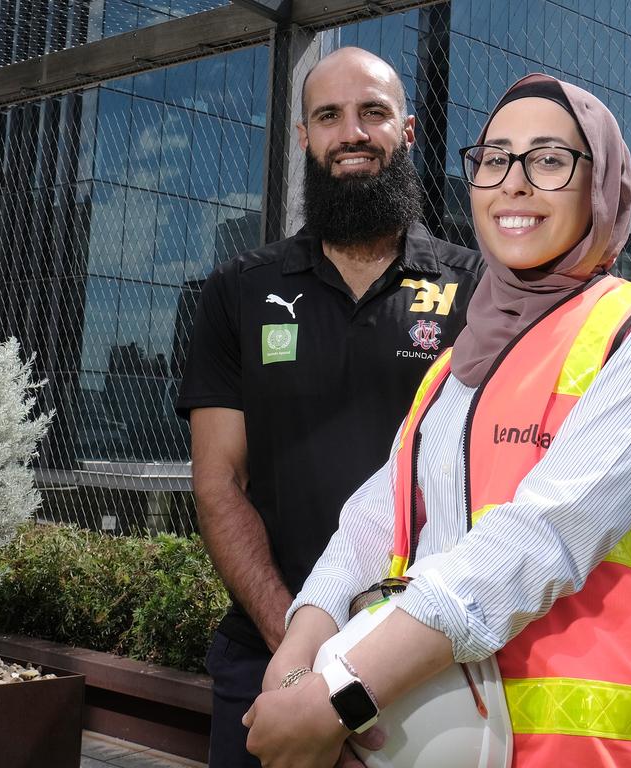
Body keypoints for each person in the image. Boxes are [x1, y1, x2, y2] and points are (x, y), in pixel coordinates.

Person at [242, 73, 631, 768]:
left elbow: (539, 538)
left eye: (548, 159)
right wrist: (301, 644)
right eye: (493, 159)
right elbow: (374, 518)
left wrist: (339, 695)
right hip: (438, 743)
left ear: (600, 182)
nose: (513, 183)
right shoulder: (458, 366)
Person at [175, 47, 483, 768]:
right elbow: (219, 484)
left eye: (373, 112)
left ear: (407, 131)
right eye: (329, 116)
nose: (352, 132)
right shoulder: (240, 290)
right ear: (306, 139)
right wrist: (298, 652)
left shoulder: (477, 290)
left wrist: (364, 666)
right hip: (267, 652)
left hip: (428, 665)